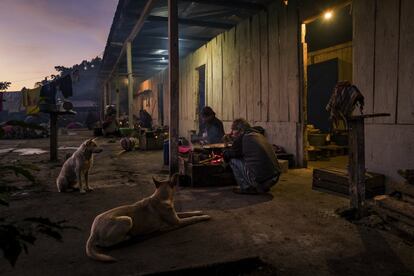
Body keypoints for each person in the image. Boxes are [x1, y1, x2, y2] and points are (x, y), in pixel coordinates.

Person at [223, 118, 281, 194]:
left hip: (263, 181)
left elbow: (228, 155)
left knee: (232, 160)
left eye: (233, 130)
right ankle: (260, 187)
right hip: (274, 178)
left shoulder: (242, 138)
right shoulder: (258, 134)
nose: (231, 133)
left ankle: (246, 187)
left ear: (240, 130)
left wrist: (225, 148)